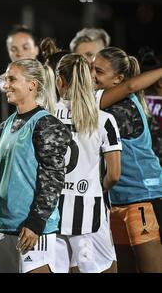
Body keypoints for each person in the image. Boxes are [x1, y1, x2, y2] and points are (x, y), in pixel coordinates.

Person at [0, 58, 71, 273]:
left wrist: (35, 223)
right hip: (4, 224)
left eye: (12, 79)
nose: (6, 85)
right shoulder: (6, 124)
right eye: (5, 79)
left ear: (32, 84)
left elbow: (53, 181)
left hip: (31, 228)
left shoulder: (47, 124)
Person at [93, 47, 162, 272]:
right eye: (91, 69)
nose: (92, 75)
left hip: (142, 197)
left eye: (99, 71)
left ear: (118, 79)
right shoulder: (104, 100)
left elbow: (132, 85)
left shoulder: (121, 106)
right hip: (118, 200)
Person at [53, 53, 122, 273]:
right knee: (104, 268)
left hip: (52, 211)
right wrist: (91, 187)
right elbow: (114, 175)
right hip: (88, 211)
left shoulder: (45, 116)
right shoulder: (103, 120)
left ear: (60, 81)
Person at [0, 25, 39, 169]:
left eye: (25, 47)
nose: (20, 53)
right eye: (14, 49)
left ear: (36, 49)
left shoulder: (53, 84)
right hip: (7, 161)